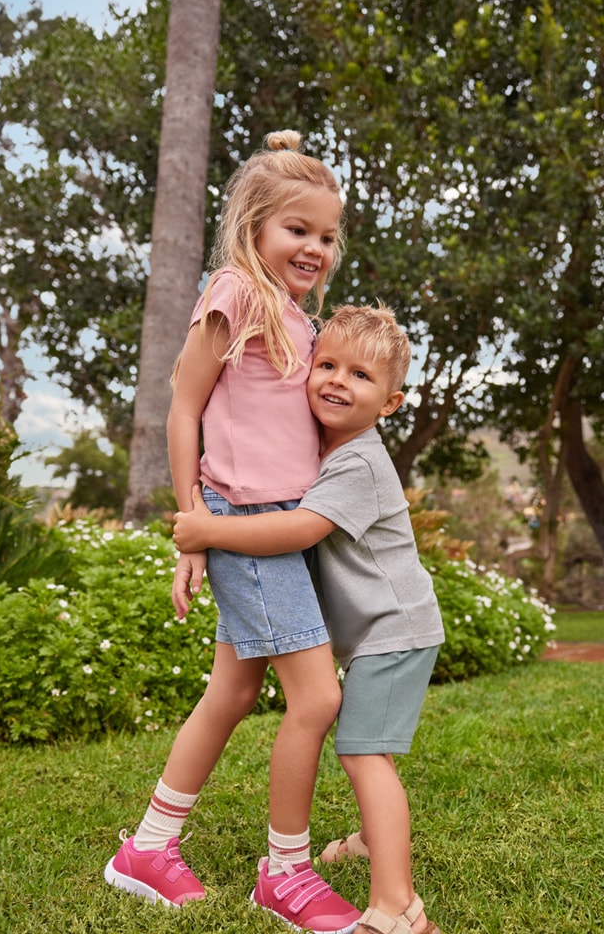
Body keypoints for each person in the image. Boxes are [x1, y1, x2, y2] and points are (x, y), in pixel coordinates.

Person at [104, 130, 362, 934]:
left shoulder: (295, 317)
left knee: (233, 689)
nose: (314, 247)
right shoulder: (236, 293)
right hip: (248, 524)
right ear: (254, 225)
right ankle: (286, 873)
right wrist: (193, 525)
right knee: (316, 698)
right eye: (298, 230)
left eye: (326, 235)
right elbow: (184, 406)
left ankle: (148, 847)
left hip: (275, 528)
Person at [173, 303, 446, 934]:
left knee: (364, 756)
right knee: (365, 750)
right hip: (383, 633)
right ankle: (374, 841)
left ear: (390, 404)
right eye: (327, 364)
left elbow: (302, 527)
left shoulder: (358, 463)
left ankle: (396, 906)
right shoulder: (322, 450)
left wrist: (209, 529)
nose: (336, 381)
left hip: (394, 633)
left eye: (359, 376)